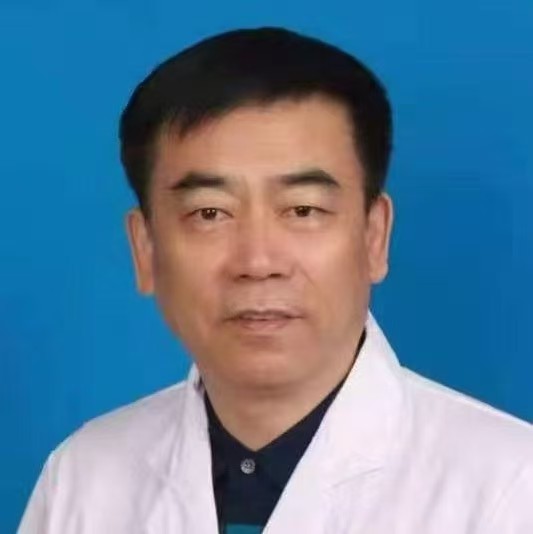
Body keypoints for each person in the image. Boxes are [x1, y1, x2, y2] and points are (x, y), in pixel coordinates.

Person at [19, 27, 532, 534]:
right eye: (210, 213)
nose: (259, 261)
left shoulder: (509, 488)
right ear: (145, 248)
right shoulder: (84, 479)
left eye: (303, 209)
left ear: (374, 237)